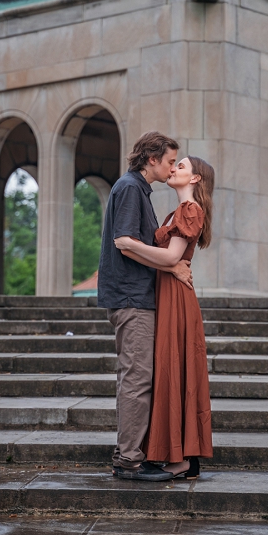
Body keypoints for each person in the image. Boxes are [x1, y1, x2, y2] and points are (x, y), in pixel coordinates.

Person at [98, 131, 193, 482]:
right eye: (170, 161)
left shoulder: (138, 190)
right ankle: (127, 462)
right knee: (136, 379)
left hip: (138, 297)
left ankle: (136, 455)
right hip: (130, 298)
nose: (172, 168)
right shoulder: (129, 188)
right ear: (151, 159)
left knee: (140, 377)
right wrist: (171, 265)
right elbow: (124, 242)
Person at [114, 155, 214, 479]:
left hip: (177, 297)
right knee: (166, 371)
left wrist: (130, 245)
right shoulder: (174, 212)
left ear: (195, 180)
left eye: (181, 166)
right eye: (174, 164)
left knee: (176, 370)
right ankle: (176, 453)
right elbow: (171, 259)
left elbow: (172, 255)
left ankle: (184, 458)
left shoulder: (190, 210)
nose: (174, 170)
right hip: (166, 292)